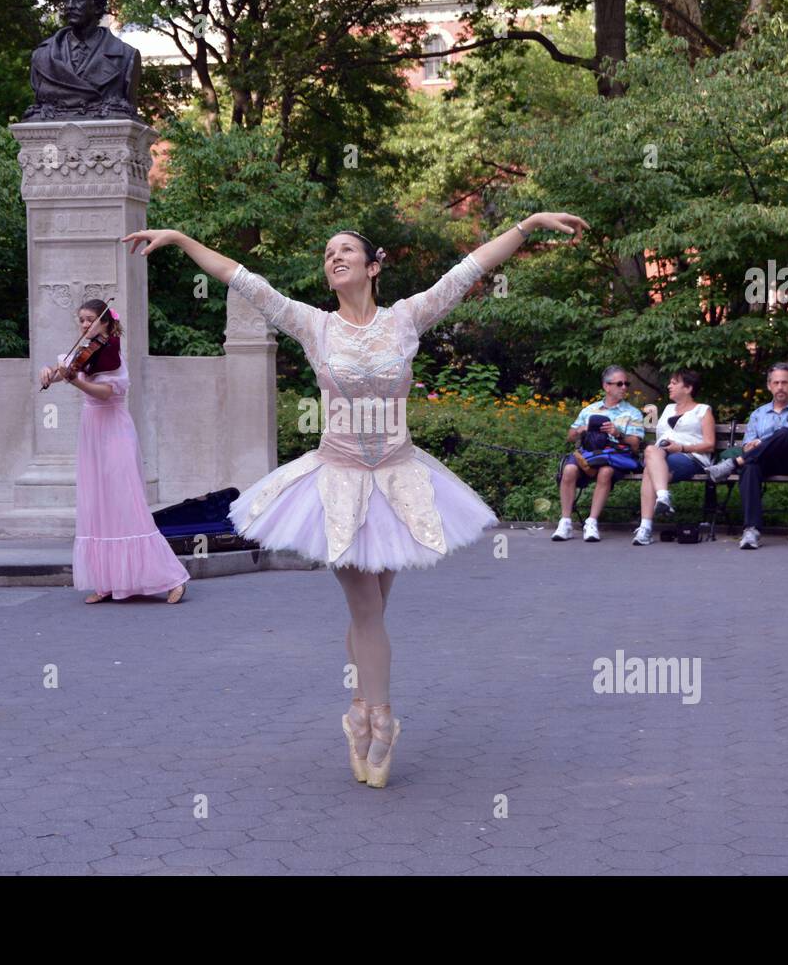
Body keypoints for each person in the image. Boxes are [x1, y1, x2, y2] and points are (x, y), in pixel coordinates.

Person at [122, 211, 589, 787]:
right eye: (326, 254)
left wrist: (529, 223)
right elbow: (242, 278)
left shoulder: (407, 318)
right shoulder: (313, 325)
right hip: (337, 482)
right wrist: (181, 237)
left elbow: (469, 270)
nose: (333, 258)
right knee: (367, 610)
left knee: (372, 613)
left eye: (345, 250)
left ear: (373, 266)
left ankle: (356, 708)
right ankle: (382, 718)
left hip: (400, 481)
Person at [39, 301, 190, 603]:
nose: (84, 326)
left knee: (126, 503)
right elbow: (61, 372)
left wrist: (76, 383)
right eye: (81, 320)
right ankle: (107, 581)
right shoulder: (82, 354)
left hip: (115, 431)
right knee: (98, 504)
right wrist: (49, 373)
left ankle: (173, 578)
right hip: (92, 430)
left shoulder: (112, 355)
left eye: (90, 320)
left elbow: (107, 393)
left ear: (106, 324)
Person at [705, 362, 788, 549]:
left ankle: (733, 463)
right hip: (765, 461)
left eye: (784, 382)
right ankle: (751, 530)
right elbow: (749, 447)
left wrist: (762, 442)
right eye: (776, 383)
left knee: (785, 433)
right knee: (750, 467)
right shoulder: (759, 413)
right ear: (769, 386)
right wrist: (756, 446)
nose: (780, 387)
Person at [552, 366, 645, 543]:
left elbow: (635, 445)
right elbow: (570, 437)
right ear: (606, 386)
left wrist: (618, 433)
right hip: (588, 455)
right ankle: (565, 522)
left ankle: (592, 522)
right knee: (569, 469)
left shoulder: (632, 412)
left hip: (614, 456)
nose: (624, 387)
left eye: (626, 383)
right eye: (620, 383)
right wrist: (582, 429)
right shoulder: (590, 410)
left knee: (606, 472)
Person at [632, 369, 715, 546]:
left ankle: (646, 528)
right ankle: (662, 497)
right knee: (651, 454)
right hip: (662, 456)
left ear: (688, 388)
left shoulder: (703, 410)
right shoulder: (668, 409)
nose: (669, 386)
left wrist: (681, 447)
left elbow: (710, 444)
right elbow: (659, 436)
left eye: (674, 383)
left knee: (649, 469)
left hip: (690, 457)